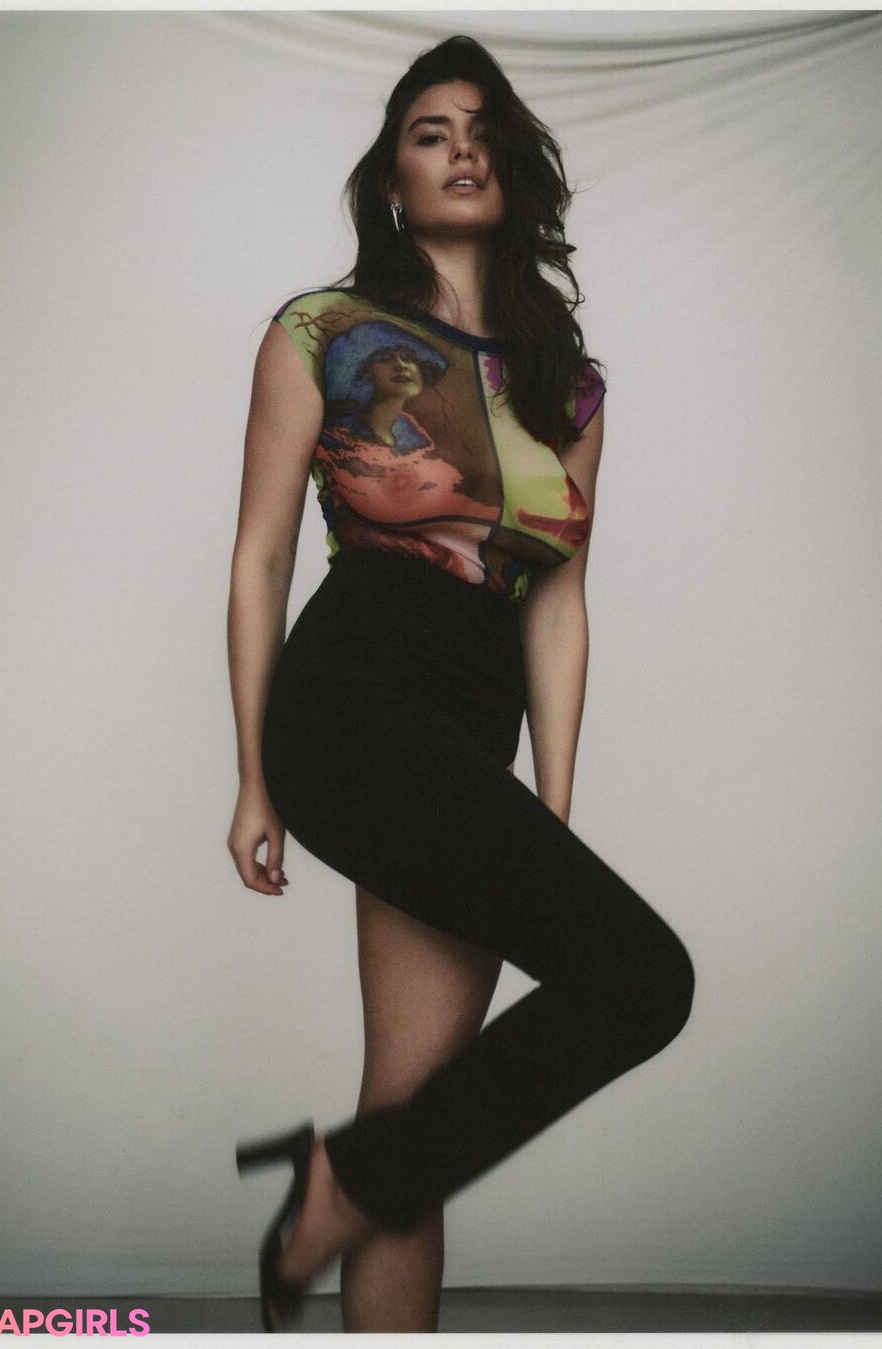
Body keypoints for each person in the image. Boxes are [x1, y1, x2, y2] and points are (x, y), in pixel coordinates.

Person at [226, 34, 696, 1334]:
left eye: (483, 131)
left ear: (516, 170)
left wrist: (549, 804)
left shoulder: (567, 386)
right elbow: (262, 558)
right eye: (430, 133)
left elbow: (558, 601)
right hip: (351, 700)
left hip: (470, 729)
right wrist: (254, 775)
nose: (462, 150)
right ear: (392, 179)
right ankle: (342, 1180)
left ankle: (345, 1180)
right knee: (643, 978)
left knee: (413, 1117)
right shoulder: (322, 332)